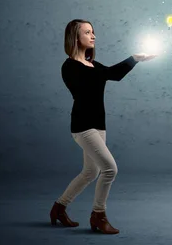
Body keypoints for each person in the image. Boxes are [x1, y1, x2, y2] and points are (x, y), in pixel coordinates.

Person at [49, 19, 156, 234]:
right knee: (109, 169)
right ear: (75, 37)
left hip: (99, 125)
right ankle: (98, 215)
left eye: (93, 32)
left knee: (90, 171)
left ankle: (59, 208)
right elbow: (85, 87)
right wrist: (100, 72)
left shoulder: (94, 66)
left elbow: (113, 75)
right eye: (87, 32)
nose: (93, 36)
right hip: (83, 126)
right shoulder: (69, 66)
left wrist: (135, 59)